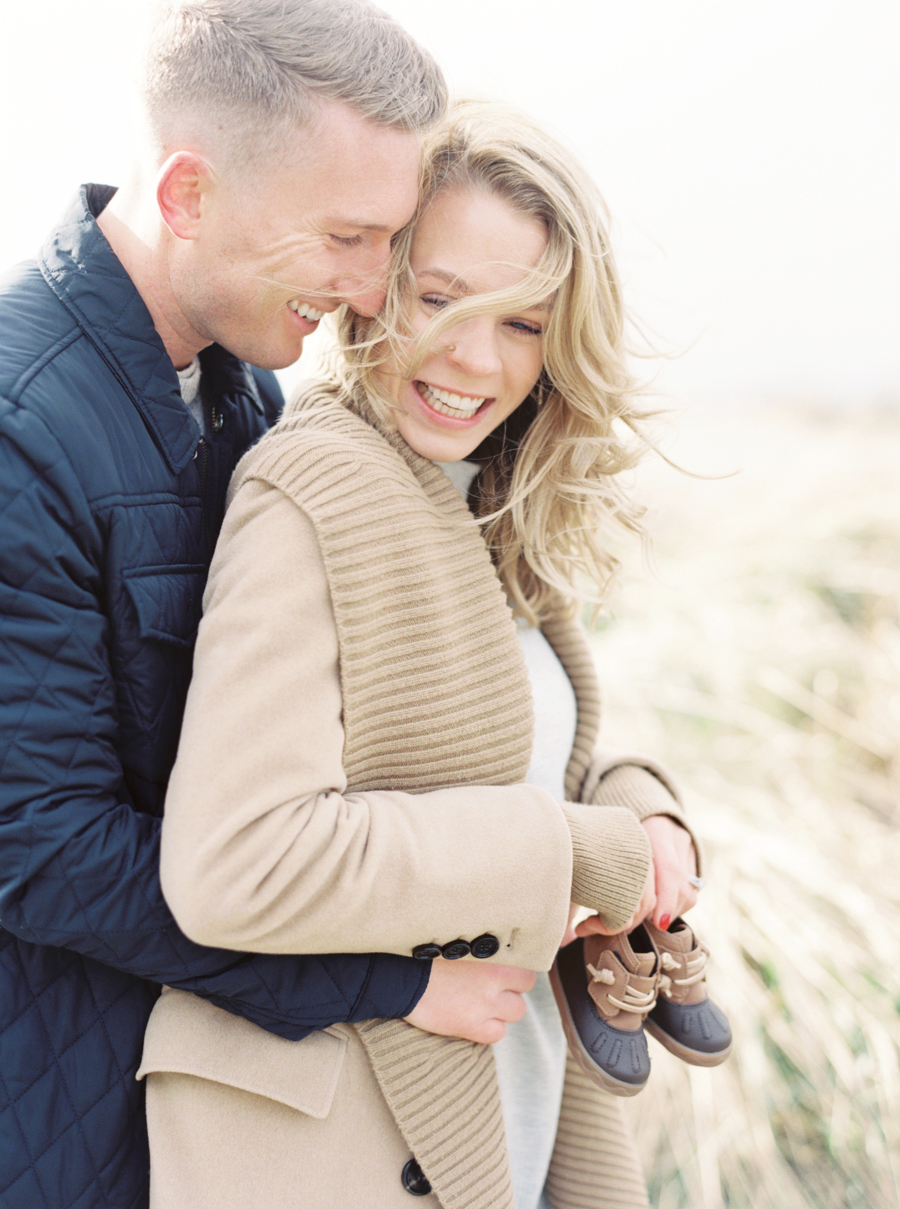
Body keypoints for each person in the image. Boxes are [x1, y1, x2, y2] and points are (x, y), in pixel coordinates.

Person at [142, 99, 718, 1209]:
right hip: (323, 1142)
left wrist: (637, 812)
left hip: (507, 1095)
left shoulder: (490, 501)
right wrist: (574, 850)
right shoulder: (312, 489)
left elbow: (507, 760)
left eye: (522, 322)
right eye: (440, 297)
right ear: (377, 284)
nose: (471, 356)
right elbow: (237, 864)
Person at [0, 3, 448, 1207]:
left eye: (389, 243)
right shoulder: (15, 430)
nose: (368, 292)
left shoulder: (243, 392)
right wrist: (381, 976)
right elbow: (38, 849)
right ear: (190, 193)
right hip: (52, 1135)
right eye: (347, 237)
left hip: (192, 1115)